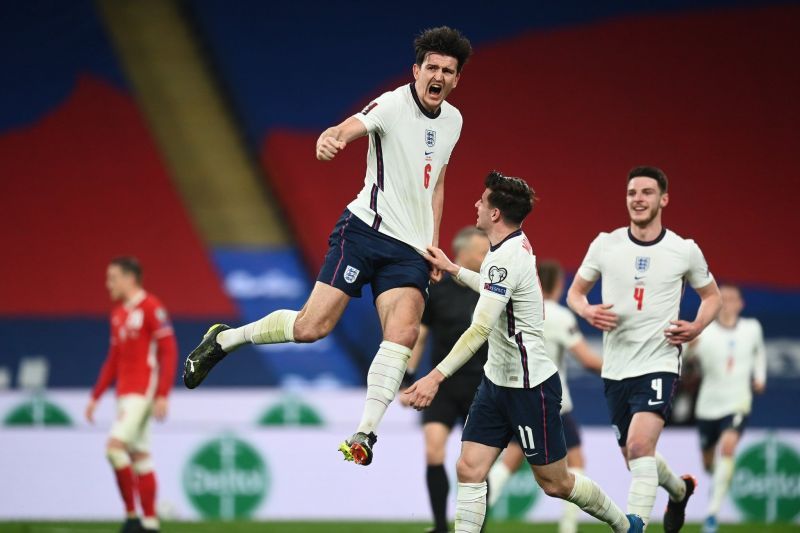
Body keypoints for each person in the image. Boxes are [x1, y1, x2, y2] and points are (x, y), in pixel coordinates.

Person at [182, 26, 473, 466]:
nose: (438, 75)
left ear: (455, 80)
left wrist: (431, 244)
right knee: (310, 328)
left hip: (409, 251)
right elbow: (353, 125)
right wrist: (332, 136)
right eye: (430, 67)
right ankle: (225, 339)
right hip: (364, 232)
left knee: (404, 332)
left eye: (447, 71)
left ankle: (365, 434)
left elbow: (437, 184)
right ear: (416, 71)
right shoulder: (393, 104)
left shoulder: (453, 121)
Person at [405, 171, 644, 533]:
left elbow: (481, 327)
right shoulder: (507, 248)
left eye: (482, 201)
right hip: (495, 381)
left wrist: (434, 377)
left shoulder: (506, 257)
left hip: (529, 386)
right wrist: (454, 269)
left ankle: (625, 524)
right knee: (469, 468)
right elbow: (492, 287)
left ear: (496, 213)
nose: (476, 205)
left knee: (556, 483)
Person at [566, 166, 722, 531]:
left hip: (660, 363)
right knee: (634, 457)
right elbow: (575, 293)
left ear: (663, 199)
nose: (638, 199)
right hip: (615, 368)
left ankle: (635, 524)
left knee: (639, 448)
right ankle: (680, 491)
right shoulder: (606, 244)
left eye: (647, 192)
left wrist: (697, 325)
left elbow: (711, 297)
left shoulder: (684, 250)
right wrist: (588, 310)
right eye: (632, 192)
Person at [488, 259, 603, 533]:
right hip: (553, 403)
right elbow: (587, 360)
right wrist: (620, 371)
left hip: (520, 398)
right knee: (575, 463)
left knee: (510, 461)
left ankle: (473, 514)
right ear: (560, 285)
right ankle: (568, 525)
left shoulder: (523, 310)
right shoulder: (560, 316)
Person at [400, 226, 489, 533]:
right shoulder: (436, 291)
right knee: (433, 449)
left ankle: (476, 527)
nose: (487, 256)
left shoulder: (489, 290)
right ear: (462, 253)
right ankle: (440, 526)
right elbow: (420, 337)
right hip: (443, 385)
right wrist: (407, 379)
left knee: (477, 462)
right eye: (482, 251)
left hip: (482, 386)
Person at [86, 257, 178, 533]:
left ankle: (131, 518)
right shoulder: (117, 314)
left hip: (143, 391)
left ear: (130, 278)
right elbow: (113, 359)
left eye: (112, 277)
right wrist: (96, 396)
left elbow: (169, 351)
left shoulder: (151, 307)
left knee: (114, 450)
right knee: (140, 456)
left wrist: (162, 393)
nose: (108, 284)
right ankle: (150, 523)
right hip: (124, 394)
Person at [686, 284, 766, 533]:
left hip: (738, 401)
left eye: (733, 298)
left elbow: (759, 353)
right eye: (724, 298)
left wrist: (760, 377)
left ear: (741, 303)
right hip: (708, 405)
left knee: (729, 446)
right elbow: (683, 358)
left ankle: (712, 515)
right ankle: (717, 479)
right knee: (708, 462)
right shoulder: (705, 332)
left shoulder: (752, 328)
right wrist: (690, 347)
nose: (729, 302)